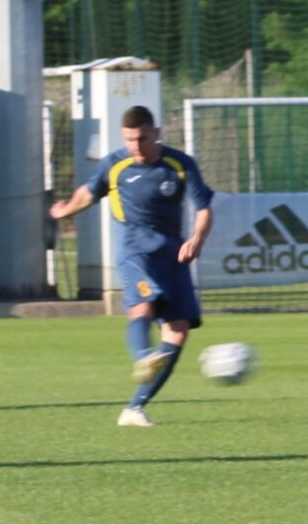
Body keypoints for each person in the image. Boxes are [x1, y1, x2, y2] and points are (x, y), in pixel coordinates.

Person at [49, 104, 215, 427]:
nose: (135, 146)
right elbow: (88, 192)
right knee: (143, 307)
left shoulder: (180, 164)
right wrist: (64, 210)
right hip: (135, 252)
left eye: (141, 139)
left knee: (178, 331)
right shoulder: (115, 165)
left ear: (156, 134)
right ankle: (143, 357)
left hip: (173, 256)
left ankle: (135, 408)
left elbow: (204, 207)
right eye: (128, 139)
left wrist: (198, 237)